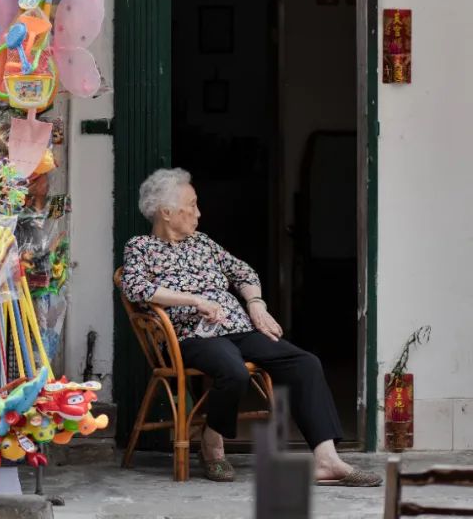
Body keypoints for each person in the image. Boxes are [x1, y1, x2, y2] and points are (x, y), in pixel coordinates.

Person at [121, 167, 381, 487]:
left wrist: (256, 305)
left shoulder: (203, 243)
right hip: (189, 335)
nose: (199, 213)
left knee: (304, 363)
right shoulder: (140, 247)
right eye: (193, 205)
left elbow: (244, 273)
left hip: (237, 327)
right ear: (167, 212)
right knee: (234, 371)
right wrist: (194, 301)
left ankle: (327, 460)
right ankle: (212, 442)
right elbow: (135, 288)